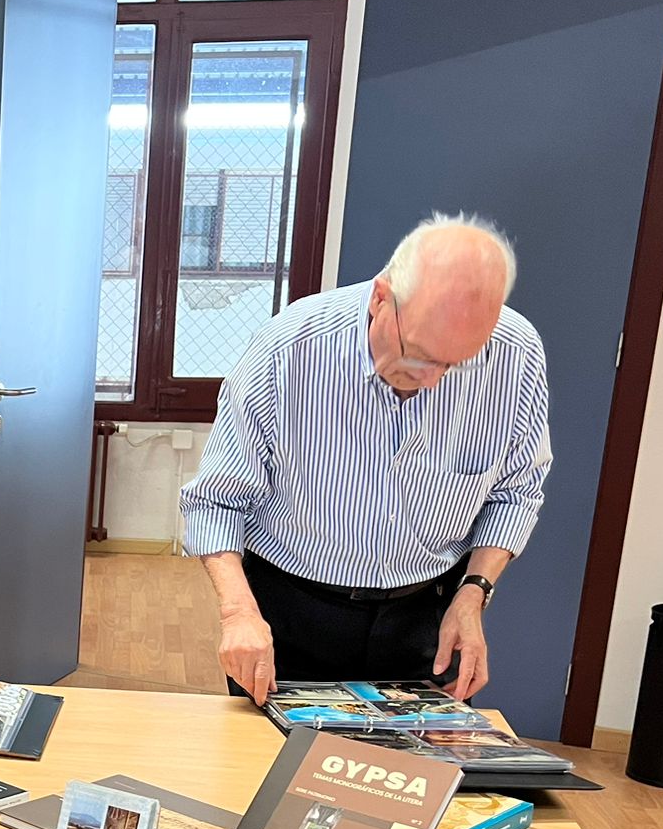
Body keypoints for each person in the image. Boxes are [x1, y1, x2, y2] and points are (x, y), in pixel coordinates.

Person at [179, 214, 552, 705]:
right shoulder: (289, 349)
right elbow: (215, 501)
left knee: (416, 757)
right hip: (293, 615)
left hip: (426, 616)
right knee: (274, 754)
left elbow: (516, 492)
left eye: (456, 364)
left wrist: (474, 592)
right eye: (420, 354)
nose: (432, 380)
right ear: (381, 299)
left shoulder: (516, 354)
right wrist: (238, 614)